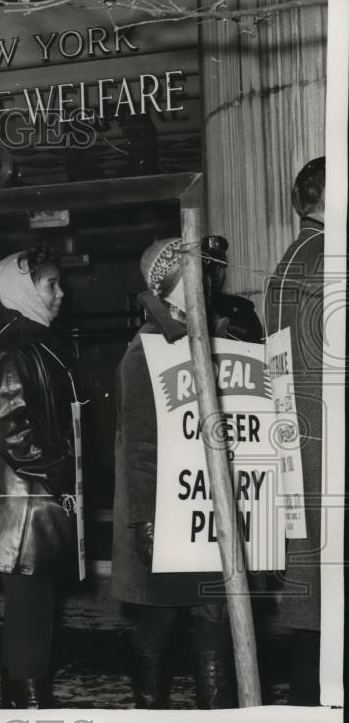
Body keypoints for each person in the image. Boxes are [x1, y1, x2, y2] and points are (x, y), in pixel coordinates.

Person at [111, 238, 237, 710]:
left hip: (209, 512)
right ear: (167, 286)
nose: (204, 279)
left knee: (214, 620)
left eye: (205, 270)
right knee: (160, 621)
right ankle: (149, 707)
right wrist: (145, 523)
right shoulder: (145, 352)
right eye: (192, 272)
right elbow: (140, 447)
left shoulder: (222, 339)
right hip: (166, 514)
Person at [0, 247, 80, 709]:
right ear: (24, 289)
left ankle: (19, 701)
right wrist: (64, 471)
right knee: (32, 615)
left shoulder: (29, 340)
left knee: (29, 614)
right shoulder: (21, 346)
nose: (60, 293)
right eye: (50, 284)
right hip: (27, 504)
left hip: (29, 501)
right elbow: (13, 432)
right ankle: (28, 706)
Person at [263, 156, 325, 705]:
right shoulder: (328, 256)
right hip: (331, 455)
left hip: (301, 452)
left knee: (316, 612)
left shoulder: (290, 261)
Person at [201, 235, 264, 343]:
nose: (216, 273)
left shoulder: (242, 307)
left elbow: (256, 344)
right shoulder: (185, 306)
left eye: (221, 266)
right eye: (210, 266)